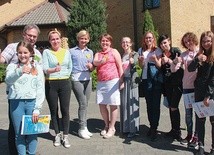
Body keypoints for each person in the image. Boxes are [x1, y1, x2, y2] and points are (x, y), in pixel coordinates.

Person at [0, 24, 42, 155]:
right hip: (16, 98)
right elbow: (3, 61)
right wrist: (19, 70)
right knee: (16, 130)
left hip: (31, 99)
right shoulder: (12, 47)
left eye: (34, 36)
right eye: (30, 35)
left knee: (31, 131)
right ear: (24, 34)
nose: (32, 38)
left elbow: (39, 81)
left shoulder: (38, 54)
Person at [42, 29, 72, 148]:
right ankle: (57, 134)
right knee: (54, 111)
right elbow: (44, 68)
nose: (55, 41)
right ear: (49, 41)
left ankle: (65, 135)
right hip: (51, 83)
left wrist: (65, 75)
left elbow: (70, 67)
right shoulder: (46, 52)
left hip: (65, 83)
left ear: (60, 39)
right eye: (53, 39)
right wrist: (53, 70)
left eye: (57, 38)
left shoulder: (66, 52)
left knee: (65, 110)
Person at [188, 31, 214, 155]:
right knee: (200, 119)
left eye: (208, 41)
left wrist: (208, 95)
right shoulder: (200, 55)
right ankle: (201, 146)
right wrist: (197, 59)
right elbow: (190, 68)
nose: (206, 43)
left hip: (211, 93)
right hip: (199, 91)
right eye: (204, 41)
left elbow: (213, 78)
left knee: (213, 121)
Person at [93, 33, 124, 139]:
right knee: (102, 105)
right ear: (100, 42)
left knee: (113, 104)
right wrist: (100, 61)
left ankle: (112, 127)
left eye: (107, 41)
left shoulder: (114, 51)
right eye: (103, 41)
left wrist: (121, 80)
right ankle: (106, 125)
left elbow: (120, 67)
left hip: (113, 81)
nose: (105, 42)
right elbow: (95, 62)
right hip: (101, 82)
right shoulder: (98, 53)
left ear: (110, 42)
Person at [171, 32, 199, 148]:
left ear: (194, 40)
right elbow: (173, 70)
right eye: (186, 41)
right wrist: (174, 62)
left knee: (198, 113)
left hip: (198, 88)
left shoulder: (200, 53)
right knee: (188, 114)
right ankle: (189, 134)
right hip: (187, 87)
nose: (188, 43)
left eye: (190, 40)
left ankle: (197, 136)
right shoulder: (183, 55)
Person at [138, 31, 162, 141]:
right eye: (147, 38)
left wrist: (156, 59)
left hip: (156, 79)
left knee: (156, 104)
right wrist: (141, 61)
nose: (148, 39)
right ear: (144, 39)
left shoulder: (157, 50)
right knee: (149, 104)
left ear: (153, 39)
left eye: (150, 38)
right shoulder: (141, 50)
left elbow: (160, 66)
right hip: (145, 79)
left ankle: (154, 128)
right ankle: (151, 126)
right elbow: (141, 66)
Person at [158, 34, 183, 141]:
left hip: (177, 84)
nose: (163, 45)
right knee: (170, 107)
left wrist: (169, 60)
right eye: (161, 44)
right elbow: (163, 71)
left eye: (165, 42)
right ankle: (174, 129)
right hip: (167, 85)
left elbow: (181, 66)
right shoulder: (162, 54)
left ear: (169, 41)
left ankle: (177, 132)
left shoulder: (176, 51)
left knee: (174, 107)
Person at [70, 30, 94, 139]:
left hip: (88, 78)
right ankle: (81, 128)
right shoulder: (71, 51)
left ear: (88, 40)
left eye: (85, 38)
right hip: (76, 79)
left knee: (85, 104)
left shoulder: (90, 52)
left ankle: (84, 127)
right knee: (82, 103)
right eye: (81, 38)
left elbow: (93, 68)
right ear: (78, 39)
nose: (83, 40)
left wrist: (91, 67)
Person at [120, 37, 139, 138]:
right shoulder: (122, 55)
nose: (125, 44)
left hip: (132, 82)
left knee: (132, 105)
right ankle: (126, 128)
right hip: (124, 82)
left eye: (127, 42)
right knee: (124, 105)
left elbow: (136, 61)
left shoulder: (134, 54)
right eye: (123, 42)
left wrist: (133, 61)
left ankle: (133, 129)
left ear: (131, 44)